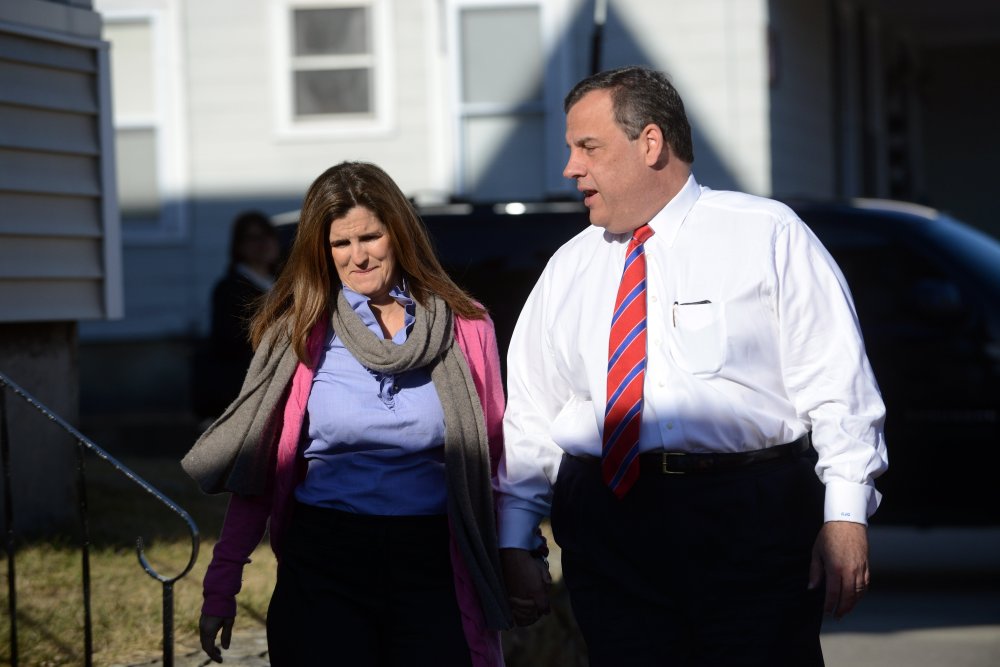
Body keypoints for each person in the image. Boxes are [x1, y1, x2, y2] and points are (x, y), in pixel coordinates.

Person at [497, 65, 888, 666]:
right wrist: (515, 538)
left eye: (588, 147)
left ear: (649, 143)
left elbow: (838, 385)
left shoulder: (766, 235)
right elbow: (530, 410)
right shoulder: (569, 267)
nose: (571, 168)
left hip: (747, 523)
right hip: (608, 526)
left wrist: (845, 514)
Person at [182, 161, 517, 666]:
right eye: (340, 244)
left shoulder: (467, 328)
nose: (357, 257)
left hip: (432, 559)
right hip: (325, 561)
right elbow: (260, 470)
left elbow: (495, 457)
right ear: (322, 250)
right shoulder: (298, 332)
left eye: (370, 237)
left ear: (398, 234)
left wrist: (521, 554)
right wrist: (222, 585)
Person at [193, 211, 281, 420]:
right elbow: (231, 340)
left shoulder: (282, 285)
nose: (264, 243)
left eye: (268, 235)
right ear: (239, 246)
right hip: (243, 388)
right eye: (254, 237)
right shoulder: (230, 289)